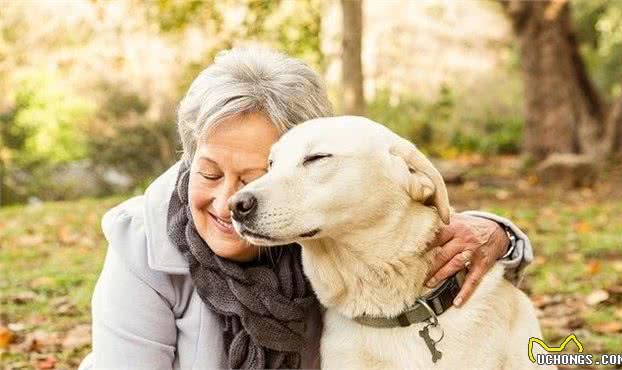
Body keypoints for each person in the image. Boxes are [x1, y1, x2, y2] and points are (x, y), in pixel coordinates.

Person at [79, 47, 533, 369]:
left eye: (256, 177)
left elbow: (394, 212)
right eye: (210, 172)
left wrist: (498, 233)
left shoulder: (317, 228)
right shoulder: (142, 241)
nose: (231, 202)